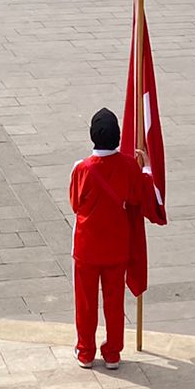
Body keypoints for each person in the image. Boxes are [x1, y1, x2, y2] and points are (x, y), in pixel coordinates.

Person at [71, 108, 149, 370]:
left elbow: (75, 203)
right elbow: (137, 196)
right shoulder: (129, 166)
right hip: (117, 245)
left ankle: (85, 351)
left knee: (86, 302)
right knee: (114, 302)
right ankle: (113, 352)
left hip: (87, 246)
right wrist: (145, 168)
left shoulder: (81, 168)